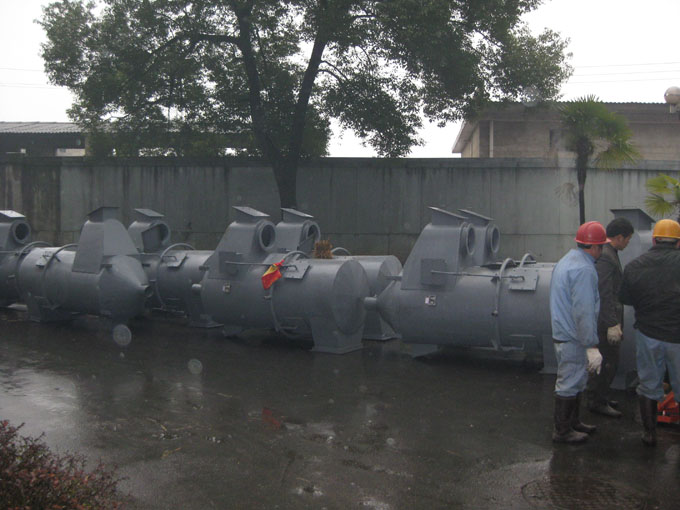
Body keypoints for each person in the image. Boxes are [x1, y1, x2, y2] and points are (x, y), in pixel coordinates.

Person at [619, 218, 680, 446]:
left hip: (648, 334)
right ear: (678, 242)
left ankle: (649, 434)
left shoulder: (634, 266)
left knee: (648, 385)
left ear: (654, 240)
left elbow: (625, 298)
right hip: (677, 336)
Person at [549, 221, 606, 443]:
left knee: (576, 380)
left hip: (564, 333)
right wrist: (591, 344)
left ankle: (573, 422)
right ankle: (563, 431)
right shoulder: (584, 270)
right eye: (601, 246)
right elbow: (584, 311)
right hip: (574, 337)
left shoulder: (567, 261)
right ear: (596, 247)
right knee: (569, 383)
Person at [586, 217, 634, 418]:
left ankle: (601, 396)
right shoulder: (607, 256)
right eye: (628, 238)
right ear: (620, 237)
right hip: (605, 323)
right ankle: (597, 401)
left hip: (606, 319)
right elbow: (604, 293)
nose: (628, 242)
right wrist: (612, 323)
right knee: (608, 362)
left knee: (609, 362)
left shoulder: (608, 253)